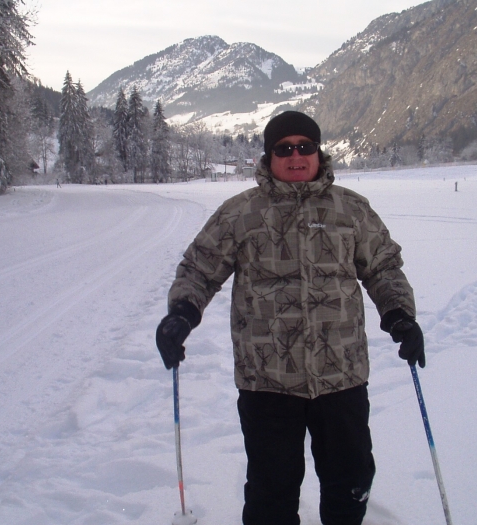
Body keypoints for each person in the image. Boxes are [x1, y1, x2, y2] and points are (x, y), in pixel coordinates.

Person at [156, 111, 424, 525]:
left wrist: (400, 316)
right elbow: (199, 268)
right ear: (269, 155)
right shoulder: (240, 212)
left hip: (342, 375)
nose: (296, 156)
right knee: (270, 496)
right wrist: (181, 314)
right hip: (267, 380)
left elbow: (383, 268)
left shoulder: (350, 210)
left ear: (319, 153)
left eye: (305, 147)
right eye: (285, 148)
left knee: (351, 483)